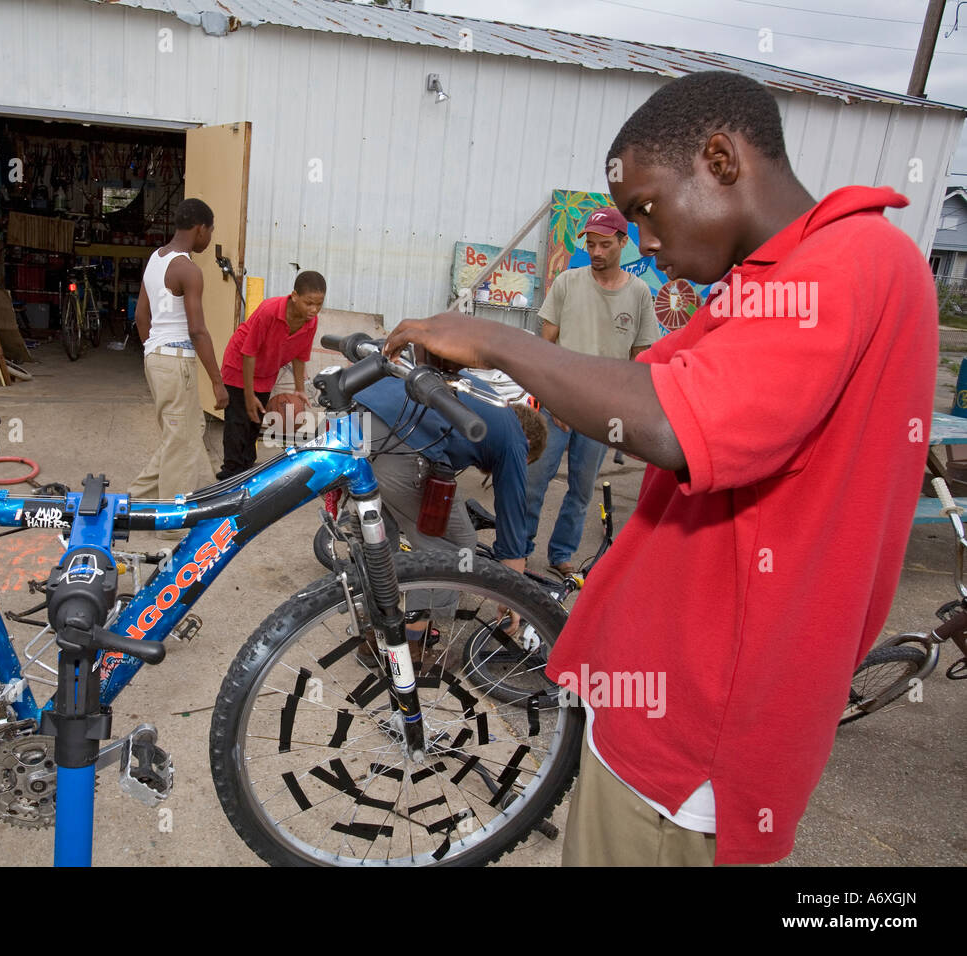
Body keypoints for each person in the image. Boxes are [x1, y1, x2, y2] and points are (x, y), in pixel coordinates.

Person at [382, 70, 937, 866]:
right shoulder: (762, 283)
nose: (643, 239)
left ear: (720, 159)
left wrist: (496, 337)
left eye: (647, 209)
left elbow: (673, 419)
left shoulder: (854, 255)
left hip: (693, 733)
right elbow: (638, 384)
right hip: (663, 700)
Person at [354, 374, 546, 663]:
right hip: (400, 442)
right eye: (526, 462)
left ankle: (374, 638)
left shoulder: (484, 401)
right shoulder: (514, 437)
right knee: (452, 547)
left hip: (355, 422)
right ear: (528, 442)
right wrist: (513, 595)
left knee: (379, 536)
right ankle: (411, 649)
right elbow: (513, 519)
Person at [527, 205, 660, 577]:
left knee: (582, 489)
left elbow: (638, 358)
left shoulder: (638, 294)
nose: (597, 252)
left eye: (605, 245)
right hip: (557, 405)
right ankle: (519, 549)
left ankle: (562, 554)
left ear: (623, 242)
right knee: (534, 481)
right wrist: (552, 398)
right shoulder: (569, 282)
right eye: (591, 244)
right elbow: (546, 343)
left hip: (601, 413)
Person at [130, 199, 228, 527]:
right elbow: (197, 330)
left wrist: (153, 353)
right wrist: (216, 380)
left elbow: (140, 316)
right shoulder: (189, 270)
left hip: (156, 357)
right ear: (200, 228)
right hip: (174, 361)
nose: (210, 238)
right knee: (182, 446)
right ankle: (170, 526)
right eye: (210, 231)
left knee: (186, 432)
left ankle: (133, 500)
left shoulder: (156, 259)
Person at [216, 271, 325, 479]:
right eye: (309, 303)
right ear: (294, 296)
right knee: (237, 423)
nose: (314, 309)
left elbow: (300, 355)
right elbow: (249, 353)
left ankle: (246, 471)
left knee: (254, 423)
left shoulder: (311, 322)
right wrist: (249, 395)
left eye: (319, 304)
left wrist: (300, 389)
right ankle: (229, 476)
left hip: (266, 372)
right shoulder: (269, 310)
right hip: (240, 366)